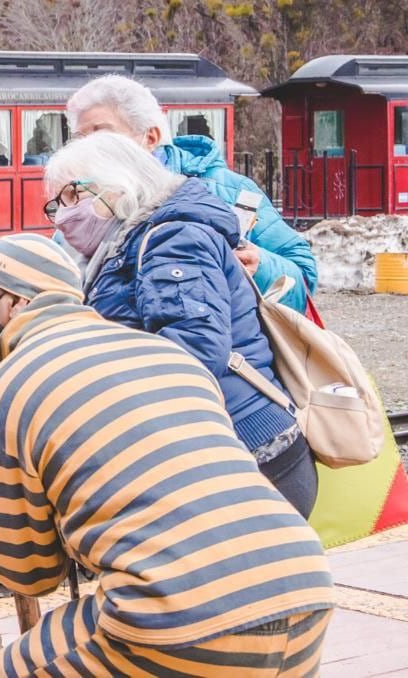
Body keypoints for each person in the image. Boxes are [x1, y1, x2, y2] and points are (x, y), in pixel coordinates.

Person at [0, 233, 335, 677]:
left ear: (16, 304)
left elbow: (29, 575)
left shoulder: (3, 392)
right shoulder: (166, 354)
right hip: (304, 582)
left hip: (174, 611)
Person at [44, 132, 318, 518]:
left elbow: (195, 352)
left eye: (72, 195)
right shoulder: (128, 244)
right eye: (56, 204)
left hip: (243, 456)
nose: (64, 213)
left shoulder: (172, 238)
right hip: (211, 448)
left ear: (119, 185)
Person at [64, 73, 318, 313]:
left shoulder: (229, 191)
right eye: (80, 139)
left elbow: (304, 278)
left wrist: (261, 266)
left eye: (102, 134)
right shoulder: (81, 200)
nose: (90, 149)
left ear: (150, 137)